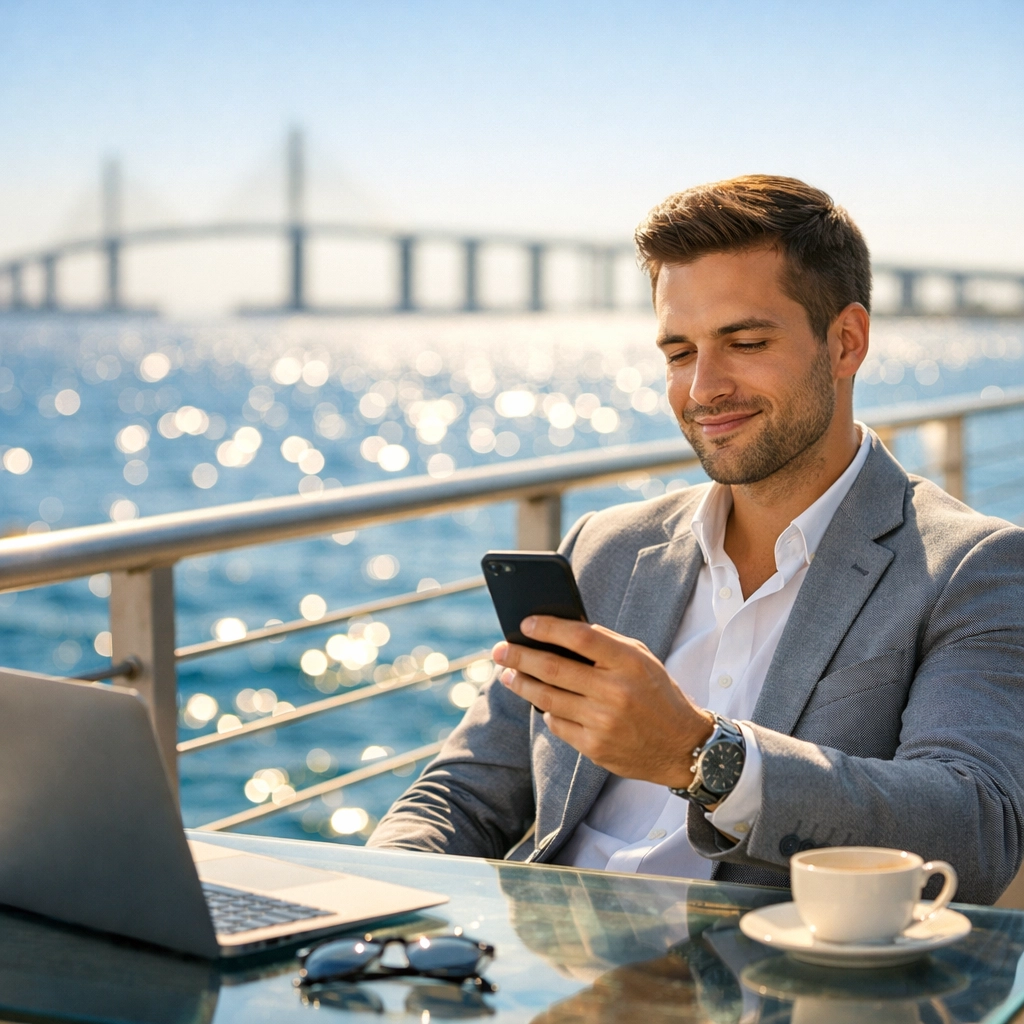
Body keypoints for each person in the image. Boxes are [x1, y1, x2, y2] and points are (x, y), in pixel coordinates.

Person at [369, 176, 1024, 904]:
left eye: (744, 342)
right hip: (544, 985)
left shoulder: (974, 566)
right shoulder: (605, 548)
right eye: (678, 353)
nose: (702, 388)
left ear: (846, 343)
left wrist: (700, 755)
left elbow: (977, 826)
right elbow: (462, 794)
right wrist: (370, 915)